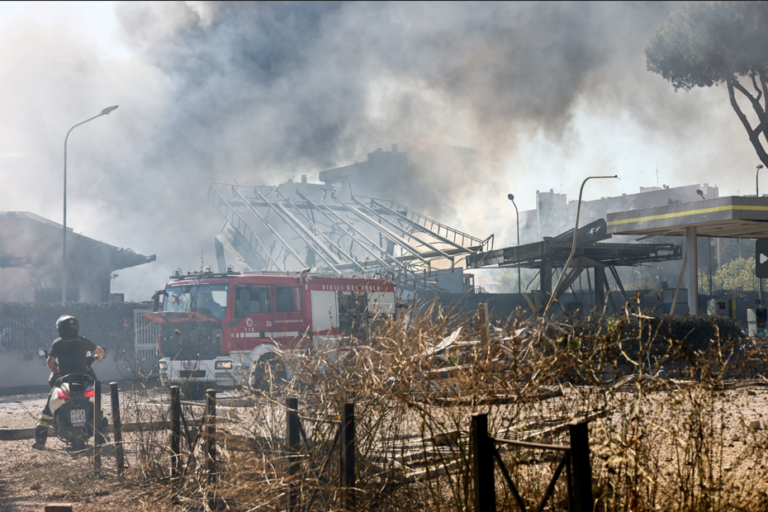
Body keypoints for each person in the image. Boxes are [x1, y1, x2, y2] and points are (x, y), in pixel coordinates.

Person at [32, 315, 105, 450]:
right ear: (76, 327)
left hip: (65, 381)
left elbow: (50, 361)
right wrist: (98, 357)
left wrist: (54, 371)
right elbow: (100, 351)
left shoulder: (58, 342)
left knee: (48, 408)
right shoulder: (84, 340)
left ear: (60, 328)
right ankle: (103, 437)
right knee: (98, 406)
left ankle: (40, 441)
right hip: (83, 379)